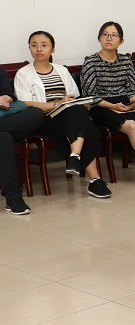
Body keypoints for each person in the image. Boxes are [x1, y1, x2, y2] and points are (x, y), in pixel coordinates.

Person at [15, 31, 111, 199]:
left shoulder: (62, 70)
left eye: (44, 45)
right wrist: (57, 104)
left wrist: (83, 103)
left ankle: (75, 157)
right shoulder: (23, 73)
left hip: (68, 115)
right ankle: (94, 179)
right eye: (34, 45)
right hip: (42, 118)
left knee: (76, 111)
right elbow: (26, 104)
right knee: (86, 128)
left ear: (52, 49)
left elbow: (74, 96)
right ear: (29, 48)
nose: (39, 49)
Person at [81, 22, 135, 165]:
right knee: (132, 126)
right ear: (99, 39)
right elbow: (90, 96)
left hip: (125, 104)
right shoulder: (91, 62)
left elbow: (133, 89)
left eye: (114, 35)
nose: (109, 38)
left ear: (121, 41)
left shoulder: (125, 60)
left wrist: (134, 102)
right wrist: (112, 106)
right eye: (105, 35)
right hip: (101, 107)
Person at [0, 71, 45, 215]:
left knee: (36, 113)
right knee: (4, 138)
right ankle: (13, 198)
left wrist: (6, 98)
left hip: (5, 120)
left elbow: (9, 95)